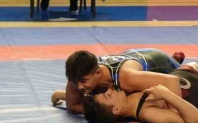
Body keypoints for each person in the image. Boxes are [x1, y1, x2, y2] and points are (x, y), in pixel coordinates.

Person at [81, 54, 198, 123]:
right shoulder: (147, 113)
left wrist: (63, 96)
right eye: (107, 96)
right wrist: (167, 95)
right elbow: (196, 120)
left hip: (195, 71)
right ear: (116, 110)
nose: (109, 90)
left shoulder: (125, 88)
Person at [52, 48, 184, 114]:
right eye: (75, 82)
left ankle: (176, 60)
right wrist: (105, 111)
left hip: (159, 61)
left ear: (98, 73)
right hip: (130, 57)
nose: (79, 87)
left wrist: (174, 114)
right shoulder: (77, 75)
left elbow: (172, 81)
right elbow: (72, 105)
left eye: (83, 81)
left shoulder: (126, 78)